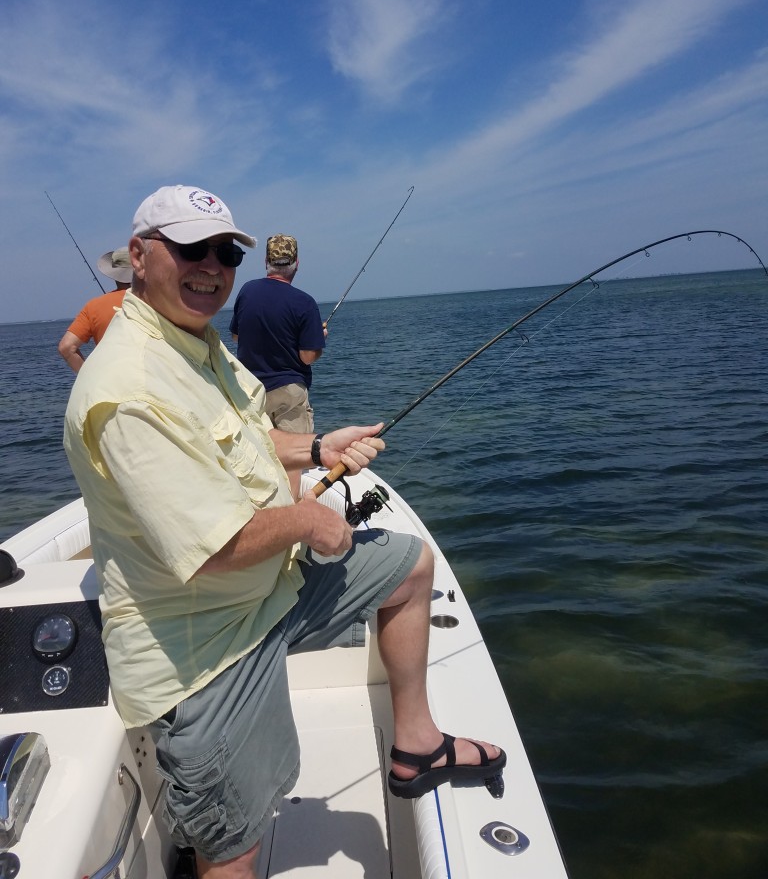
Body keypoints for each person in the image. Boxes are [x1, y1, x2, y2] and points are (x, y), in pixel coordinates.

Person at [64, 183, 505, 879]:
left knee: (412, 566)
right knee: (234, 850)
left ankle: (415, 745)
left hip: (269, 587)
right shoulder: (131, 388)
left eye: (224, 252)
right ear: (141, 256)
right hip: (203, 645)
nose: (211, 264)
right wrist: (310, 519)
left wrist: (319, 447)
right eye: (190, 249)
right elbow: (211, 548)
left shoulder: (198, 343)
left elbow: (245, 440)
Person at [229, 234, 325, 433]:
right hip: (288, 393)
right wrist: (318, 340)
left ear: (266, 262)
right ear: (296, 263)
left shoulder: (247, 291)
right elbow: (307, 357)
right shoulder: (305, 303)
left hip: (250, 390)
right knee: (295, 456)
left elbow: (236, 337)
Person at [57, 247, 133, 373]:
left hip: (111, 384)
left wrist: (88, 377)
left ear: (113, 274)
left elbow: (66, 347)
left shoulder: (93, 306)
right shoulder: (157, 301)